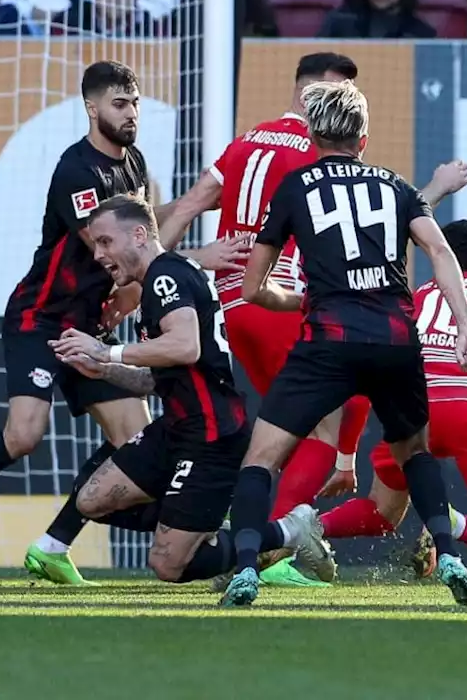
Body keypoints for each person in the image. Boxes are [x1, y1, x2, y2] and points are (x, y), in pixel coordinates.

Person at [0, 61, 241, 587]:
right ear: (92, 108)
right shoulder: (77, 170)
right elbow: (115, 242)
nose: (131, 114)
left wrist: (183, 211)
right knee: (24, 435)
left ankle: (53, 545)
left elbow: (140, 229)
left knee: (134, 437)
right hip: (42, 318)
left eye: (136, 103)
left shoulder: (133, 163)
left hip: (91, 325)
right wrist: (194, 237)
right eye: (120, 104)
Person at [159, 51, 467, 587]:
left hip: (293, 322)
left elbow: (237, 261)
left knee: (265, 451)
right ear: (363, 138)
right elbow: (434, 251)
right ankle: (445, 554)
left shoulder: (275, 166)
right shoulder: (393, 186)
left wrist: (179, 265)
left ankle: (245, 565)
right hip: (394, 334)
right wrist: (465, 325)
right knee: (406, 449)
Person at [49, 195, 335, 586]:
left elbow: (186, 346)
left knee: (168, 567)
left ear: (138, 234)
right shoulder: (161, 280)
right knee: (91, 500)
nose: (98, 254)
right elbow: (155, 378)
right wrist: (103, 370)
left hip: (211, 435)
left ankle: (287, 532)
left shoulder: (167, 276)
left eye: (105, 242)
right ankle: (203, 521)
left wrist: (105, 348)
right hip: (177, 428)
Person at [318, 220, 467, 582]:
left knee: (381, 512)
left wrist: (347, 455)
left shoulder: (421, 294)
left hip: (414, 412)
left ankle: (297, 531)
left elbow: (371, 373)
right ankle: (450, 522)